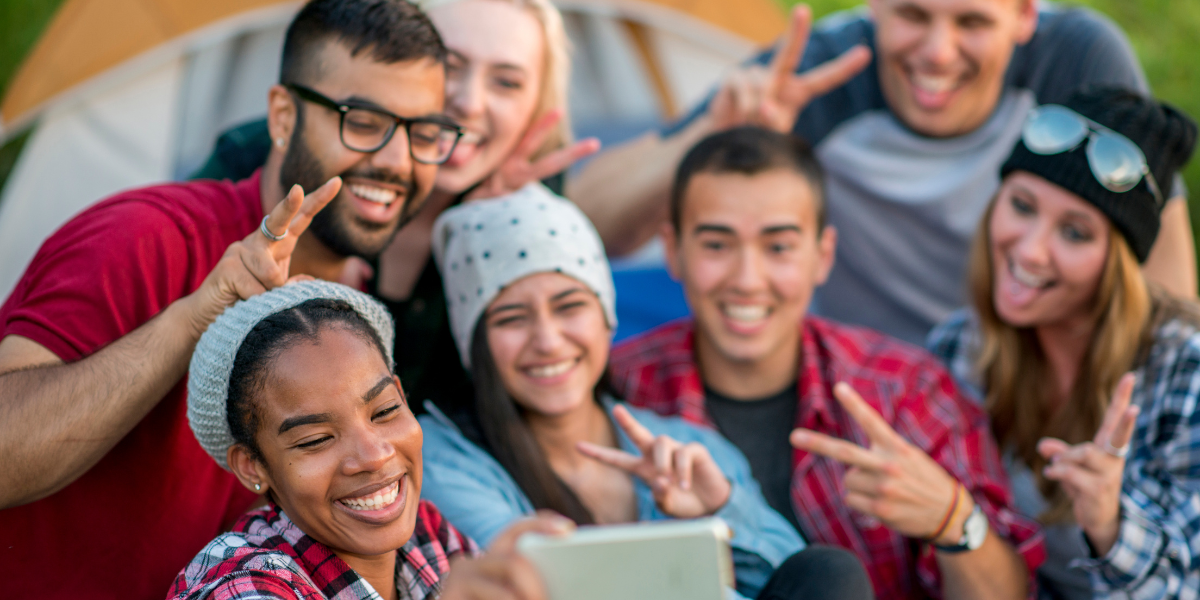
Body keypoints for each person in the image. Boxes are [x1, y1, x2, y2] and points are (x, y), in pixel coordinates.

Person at [0, 1, 457, 596]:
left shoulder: (353, 309)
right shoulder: (147, 237)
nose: (398, 161)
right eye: (363, 121)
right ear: (284, 115)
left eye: (423, 133)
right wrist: (192, 318)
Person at [570, 0, 1196, 346]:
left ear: (1025, 14)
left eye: (972, 21)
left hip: (1034, 369)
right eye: (914, 15)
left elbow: (1159, 259)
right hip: (873, 379)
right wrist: (709, 138)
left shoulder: (1076, 61)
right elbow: (584, 226)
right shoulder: (820, 74)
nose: (937, 52)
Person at [608, 126, 1043, 600]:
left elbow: (1010, 594)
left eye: (778, 247)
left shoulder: (904, 391)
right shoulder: (618, 385)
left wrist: (952, 519)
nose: (748, 280)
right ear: (673, 251)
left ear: (823, 255)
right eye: (717, 245)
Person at [418, 185, 874, 600]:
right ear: (474, 344)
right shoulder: (444, 459)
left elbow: (791, 581)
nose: (549, 341)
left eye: (570, 307)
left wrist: (720, 511)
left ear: (606, 319)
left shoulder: (683, 446)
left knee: (830, 571)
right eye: (511, 318)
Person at [193, 0, 600, 416]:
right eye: (449, 66)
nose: (470, 103)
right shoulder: (272, 153)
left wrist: (486, 240)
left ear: (537, 106)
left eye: (507, 83)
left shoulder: (528, 210)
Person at [926, 87, 1199, 599]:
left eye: (1074, 233)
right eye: (1022, 206)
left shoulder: (1187, 373)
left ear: (1118, 261)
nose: (1030, 250)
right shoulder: (959, 346)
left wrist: (1112, 526)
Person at [173, 279, 567, 600]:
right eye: (315, 439)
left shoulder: (429, 534)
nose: (374, 455)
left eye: (385, 411)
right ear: (253, 465)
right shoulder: (237, 585)